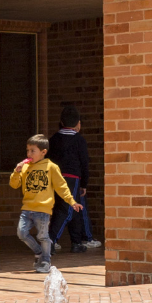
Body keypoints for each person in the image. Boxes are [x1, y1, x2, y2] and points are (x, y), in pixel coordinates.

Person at [10, 134, 83, 273]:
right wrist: (16, 171)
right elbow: (14, 184)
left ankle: (45, 261)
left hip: (43, 209)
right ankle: (39, 252)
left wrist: (72, 201)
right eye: (28, 150)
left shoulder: (51, 167)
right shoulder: (25, 167)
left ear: (43, 152)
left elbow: (61, 186)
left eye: (33, 151)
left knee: (43, 236)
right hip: (27, 208)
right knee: (22, 233)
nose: (29, 153)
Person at [48, 106, 100, 254]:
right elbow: (84, 163)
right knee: (67, 210)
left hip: (55, 177)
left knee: (72, 208)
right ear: (78, 123)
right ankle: (51, 240)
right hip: (72, 178)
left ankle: (76, 242)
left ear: (61, 122)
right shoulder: (79, 140)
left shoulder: (54, 139)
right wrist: (84, 184)